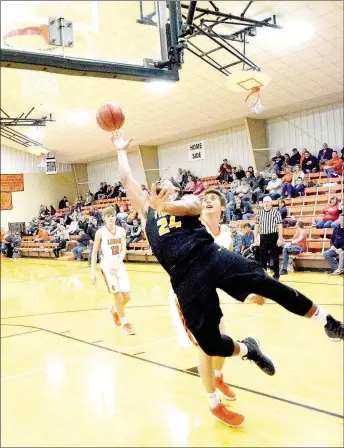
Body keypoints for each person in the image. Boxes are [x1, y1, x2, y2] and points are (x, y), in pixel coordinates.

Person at [115, 135, 344, 427]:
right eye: (159, 185)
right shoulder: (148, 212)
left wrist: (165, 206)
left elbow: (188, 207)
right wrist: (121, 149)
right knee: (210, 345)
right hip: (184, 278)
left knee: (266, 283)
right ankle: (249, 350)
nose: (164, 187)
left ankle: (329, 323)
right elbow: (125, 178)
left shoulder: (187, 200)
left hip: (209, 255)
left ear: (176, 188)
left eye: (169, 184)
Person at [90, 206, 135, 335]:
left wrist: (119, 260)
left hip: (119, 265)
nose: (111, 218)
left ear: (116, 216)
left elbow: (123, 249)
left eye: (113, 215)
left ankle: (114, 310)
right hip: (107, 267)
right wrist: (92, 272)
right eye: (108, 216)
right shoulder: (100, 232)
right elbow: (94, 252)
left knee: (127, 296)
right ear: (104, 218)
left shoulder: (121, 231)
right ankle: (125, 322)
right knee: (117, 294)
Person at [254, 196, 283, 280]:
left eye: (268, 202)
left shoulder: (276, 213)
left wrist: (280, 238)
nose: (266, 203)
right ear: (262, 203)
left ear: (271, 203)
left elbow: (280, 226)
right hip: (263, 236)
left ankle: (276, 275)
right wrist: (255, 237)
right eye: (265, 202)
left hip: (273, 235)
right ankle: (264, 274)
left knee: (275, 256)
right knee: (263, 256)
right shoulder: (259, 213)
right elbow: (256, 226)